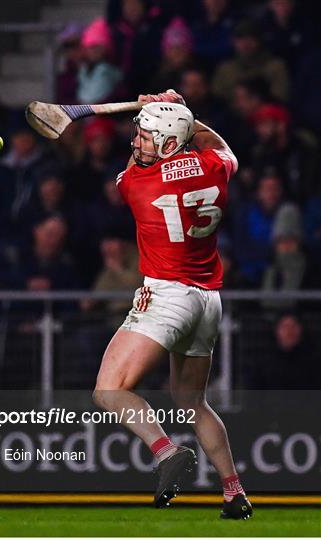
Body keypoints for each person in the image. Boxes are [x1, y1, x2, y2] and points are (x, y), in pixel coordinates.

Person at [91, 89, 252, 518]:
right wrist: (183, 111)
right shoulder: (213, 167)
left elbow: (127, 173)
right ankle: (234, 492)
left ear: (165, 144)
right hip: (207, 301)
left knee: (108, 390)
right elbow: (218, 146)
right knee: (193, 402)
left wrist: (174, 113)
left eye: (145, 137)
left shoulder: (140, 184)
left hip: (167, 295)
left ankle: (164, 451)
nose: (135, 142)